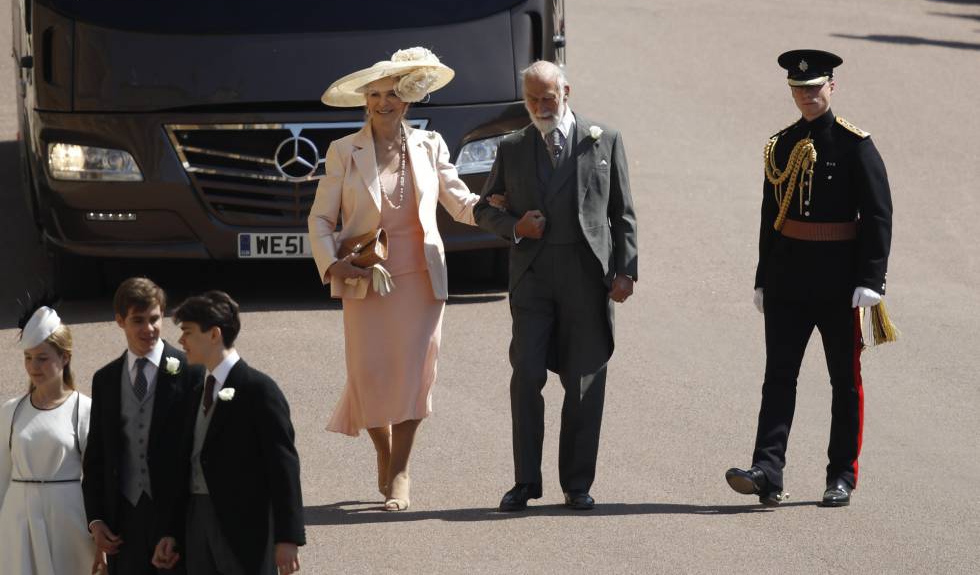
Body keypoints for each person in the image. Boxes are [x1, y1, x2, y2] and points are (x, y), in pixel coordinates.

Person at [307, 47, 484, 511]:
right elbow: (320, 219)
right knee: (369, 375)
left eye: (392, 95)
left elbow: (461, 202)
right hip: (365, 277)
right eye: (375, 95)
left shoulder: (432, 146)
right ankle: (384, 453)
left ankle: (401, 470)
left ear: (408, 101)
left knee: (412, 377)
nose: (383, 103)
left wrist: (504, 209)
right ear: (365, 102)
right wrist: (332, 264)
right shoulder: (344, 151)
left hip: (421, 281)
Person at [725, 49, 893, 508]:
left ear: (831, 88)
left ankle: (841, 475)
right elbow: (769, 217)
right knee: (778, 377)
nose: (807, 95)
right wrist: (763, 277)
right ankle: (766, 471)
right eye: (799, 89)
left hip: (841, 284)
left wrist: (872, 278)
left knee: (845, 381)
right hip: (787, 281)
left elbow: (878, 214)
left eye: (815, 88)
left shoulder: (855, 145)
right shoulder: (780, 145)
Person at [474, 60, 638, 511]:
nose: (542, 107)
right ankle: (525, 482)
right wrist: (516, 226)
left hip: (587, 277)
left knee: (584, 381)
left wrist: (626, 270)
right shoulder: (513, 146)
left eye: (549, 97)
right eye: (532, 99)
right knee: (526, 375)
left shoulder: (602, 139)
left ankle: (577, 483)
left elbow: (622, 212)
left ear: (566, 90)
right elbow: (484, 209)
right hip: (533, 278)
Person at [151, 291, 304, 575]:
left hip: (243, 531)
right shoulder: (196, 391)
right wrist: (170, 531)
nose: (181, 341)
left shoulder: (259, 390)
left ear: (214, 334)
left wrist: (287, 537)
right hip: (196, 524)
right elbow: (183, 466)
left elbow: (283, 467)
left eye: (188, 332)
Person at [83, 277, 203, 574]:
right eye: (138, 320)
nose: (148, 329)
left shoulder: (190, 372)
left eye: (154, 319)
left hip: (174, 517)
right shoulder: (106, 379)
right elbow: (97, 455)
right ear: (120, 321)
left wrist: (176, 527)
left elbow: (197, 455)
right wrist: (96, 519)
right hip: (123, 519)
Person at [0, 303, 97, 574]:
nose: (33, 366)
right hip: (17, 521)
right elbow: (1, 475)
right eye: (28, 358)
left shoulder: (84, 409)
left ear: (65, 358)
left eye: (42, 358)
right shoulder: (10, 410)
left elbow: (96, 478)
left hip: (68, 521)